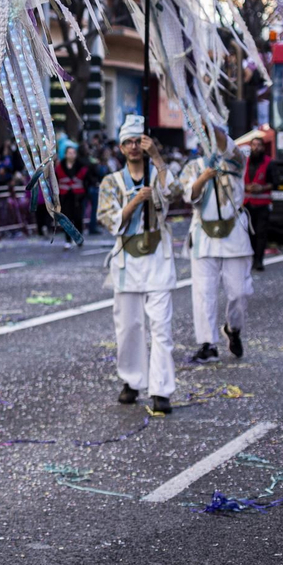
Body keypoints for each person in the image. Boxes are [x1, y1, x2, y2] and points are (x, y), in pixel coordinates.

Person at [96, 116, 181, 414]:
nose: (134, 147)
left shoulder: (156, 174)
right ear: (120, 147)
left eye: (138, 141)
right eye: (128, 142)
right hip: (127, 261)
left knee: (161, 327)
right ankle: (132, 381)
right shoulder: (111, 182)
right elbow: (108, 220)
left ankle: (161, 390)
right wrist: (133, 203)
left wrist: (157, 157)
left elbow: (176, 192)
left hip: (157, 256)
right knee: (129, 326)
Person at [180, 129, 253, 363]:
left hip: (234, 235)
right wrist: (202, 178)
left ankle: (233, 329)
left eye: (214, 136)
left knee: (239, 292)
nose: (210, 142)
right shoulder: (192, 167)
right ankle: (207, 344)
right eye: (206, 137)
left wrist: (206, 117)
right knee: (204, 293)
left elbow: (226, 144)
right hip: (204, 234)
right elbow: (189, 196)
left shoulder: (236, 160)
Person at [241, 130, 272, 272]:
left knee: (260, 233)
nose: (256, 148)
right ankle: (250, 258)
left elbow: (275, 183)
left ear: (263, 147)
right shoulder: (244, 163)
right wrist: (246, 186)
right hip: (247, 205)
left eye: (258, 145)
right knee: (248, 234)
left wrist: (262, 187)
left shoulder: (269, 163)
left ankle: (258, 261)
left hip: (262, 205)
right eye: (253, 145)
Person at [55, 143, 88, 247]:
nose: (71, 155)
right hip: (65, 196)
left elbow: (87, 180)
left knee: (78, 218)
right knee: (66, 218)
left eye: (73, 153)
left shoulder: (81, 166)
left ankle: (78, 238)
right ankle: (68, 240)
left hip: (78, 196)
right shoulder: (60, 167)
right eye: (69, 153)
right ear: (65, 154)